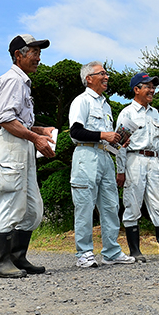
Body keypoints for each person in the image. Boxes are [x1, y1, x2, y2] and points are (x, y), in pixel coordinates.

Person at [0, 34, 55, 278]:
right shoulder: (12, 80)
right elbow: (5, 119)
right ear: (19, 55)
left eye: (39, 53)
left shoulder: (23, 82)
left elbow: (18, 119)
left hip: (23, 146)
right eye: (34, 52)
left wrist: (40, 130)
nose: (39, 57)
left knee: (32, 209)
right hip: (12, 147)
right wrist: (35, 138)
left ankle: (17, 257)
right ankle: (0, 262)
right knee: (10, 202)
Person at [68, 61, 135, 268]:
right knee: (85, 205)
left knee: (111, 205)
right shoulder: (81, 101)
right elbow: (75, 132)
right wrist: (103, 134)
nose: (107, 77)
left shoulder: (105, 105)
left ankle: (111, 252)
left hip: (106, 156)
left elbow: (106, 137)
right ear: (89, 78)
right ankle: (84, 253)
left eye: (107, 74)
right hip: (86, 155)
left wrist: (117, 139)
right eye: (102, 74)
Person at [116, 72, 159, 262]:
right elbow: (120, 144)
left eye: (153, 86)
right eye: (147, 86)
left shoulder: (154, 113)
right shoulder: (127, 113)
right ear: (136, 89)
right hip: (134, 160)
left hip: (153, 161)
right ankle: (135, 251)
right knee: (132, 204)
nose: (152, 90)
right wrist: (120, 170)